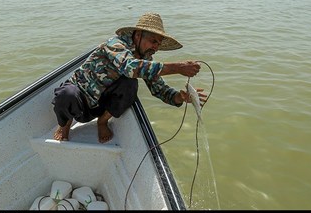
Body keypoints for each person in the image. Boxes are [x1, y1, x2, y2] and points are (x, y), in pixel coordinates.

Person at [52, 12, 207, 143]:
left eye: (158, 44)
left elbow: (159, 90)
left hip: (101, 106)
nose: (155, 47)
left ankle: (103, 121)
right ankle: (64, 125)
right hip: (80, 98)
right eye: (153, 41)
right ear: (138, 35)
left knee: (130, 84)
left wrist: (181, 97)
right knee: (66, 95)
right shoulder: (116, 44)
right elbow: (130, 67)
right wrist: (177, 68)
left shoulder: (146, 59)